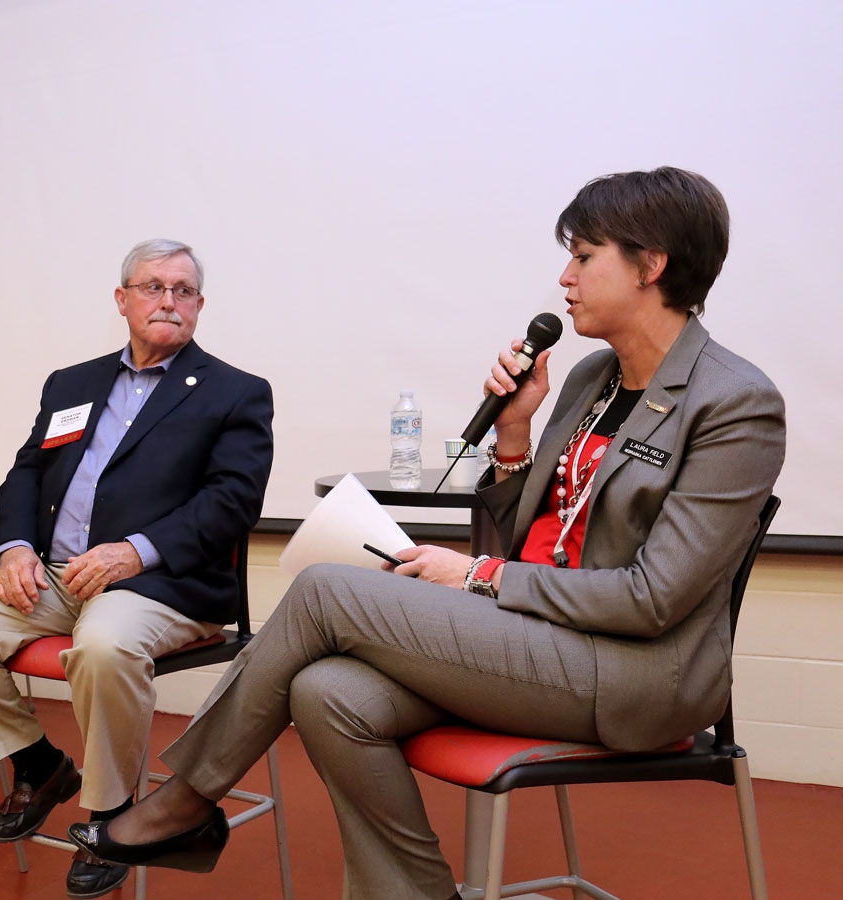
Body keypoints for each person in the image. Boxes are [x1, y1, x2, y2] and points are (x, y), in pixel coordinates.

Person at [68, 168, 787, 900]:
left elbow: (652, 598)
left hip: (633, 671)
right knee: (326, 691)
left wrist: (477, 577)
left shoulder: (734, 402)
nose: (564, 279)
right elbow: (525, 537)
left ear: (651, 265)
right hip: (536, 634)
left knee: (324, 592)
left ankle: (187, 801)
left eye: (583, 256)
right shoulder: (591, 378)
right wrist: (514, 435)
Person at [0, 239, 274, 899]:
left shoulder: (235, 392)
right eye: (153, 286)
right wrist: (15, 546)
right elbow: (26, 471)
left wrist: (135, 549)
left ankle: (112, 817)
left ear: (199, 305)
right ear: (122, 299)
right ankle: (38, 763)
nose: (169, 300)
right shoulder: (71, 383)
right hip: (55, 573)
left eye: (184, 290)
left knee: (102, 646)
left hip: (158, 583)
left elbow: (232, 503)